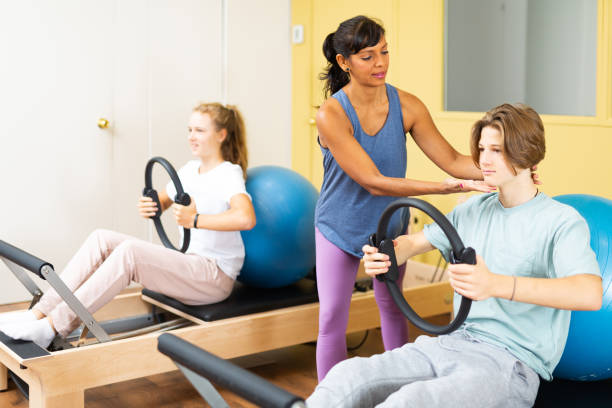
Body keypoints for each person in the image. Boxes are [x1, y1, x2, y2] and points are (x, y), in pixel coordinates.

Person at [306, 103, 603, 408]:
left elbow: (590, 293)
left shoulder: (560, 221)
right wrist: (386, 255)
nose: (484, 160)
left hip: (509, 363)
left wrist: (495, 285)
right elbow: (413, 244)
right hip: (450, 343)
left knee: (411, 402)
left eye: (497, 150)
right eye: (482, 149)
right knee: (348, 376)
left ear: (526, 152)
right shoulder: (473, 209)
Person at [314, 15, 500, 380]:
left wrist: (505, 167)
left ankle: (399, 393)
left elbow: (453, 160)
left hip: (388, 228)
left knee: (393, 308)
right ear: (344, 62)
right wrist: (446, 188)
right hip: (338, 226)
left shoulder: (408, 106)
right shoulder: (331, 114)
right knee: (333, 317)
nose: (380, 63)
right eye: (367, 56)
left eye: (384, 52)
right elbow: (373, 182)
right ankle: (329, 399)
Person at [0, 102, 256, 349]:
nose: (191, 136)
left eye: (200, 130)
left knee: (130, 253)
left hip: (213, 276)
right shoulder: (190, 170)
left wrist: (196, 220)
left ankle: (54, 327)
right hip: (190, 264)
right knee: (102, 238)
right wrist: (152, 205)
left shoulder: (227, 173)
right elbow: (162, 201)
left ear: (222, 135)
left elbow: (246, 218)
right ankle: (40, 314)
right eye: (189, 130)